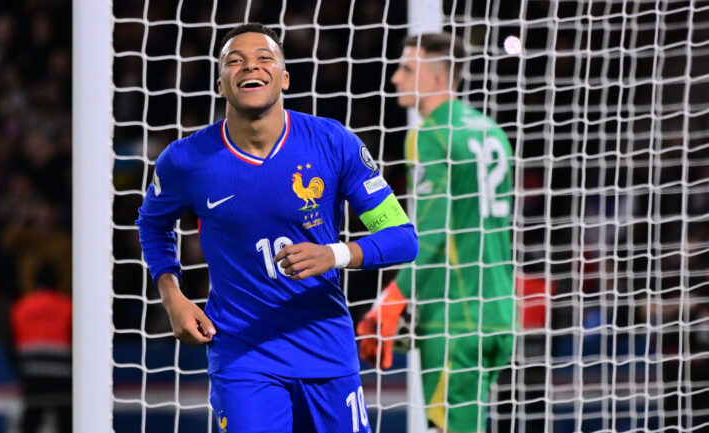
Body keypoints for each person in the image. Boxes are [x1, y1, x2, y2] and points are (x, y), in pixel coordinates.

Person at [136, 23, 418, 433]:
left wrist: (337, 254)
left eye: (264, 58)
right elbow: (152, 223)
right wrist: (171, 294)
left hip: (325, 347)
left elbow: (402, 239)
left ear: (284, 77)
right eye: (235, 61)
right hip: (244, 355)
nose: (250, 66)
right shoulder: (186, 160)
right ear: (220, 83)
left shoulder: (331, 142)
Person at [357, 33, 515, 433]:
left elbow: (431, 230)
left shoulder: (430, 135)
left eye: (407, 69)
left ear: (436, 77)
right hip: (497, 311)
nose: (395, 78)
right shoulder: (491, 130)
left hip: (455, 317)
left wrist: (393, 298)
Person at [10, 264, 72, 433]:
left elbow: (10, 345)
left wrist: (21, 369)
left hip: (32, 375)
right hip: (63, 376)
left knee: (31, 421)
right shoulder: (67, 306)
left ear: (35, 281)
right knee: (66, 422)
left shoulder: (21, 307)